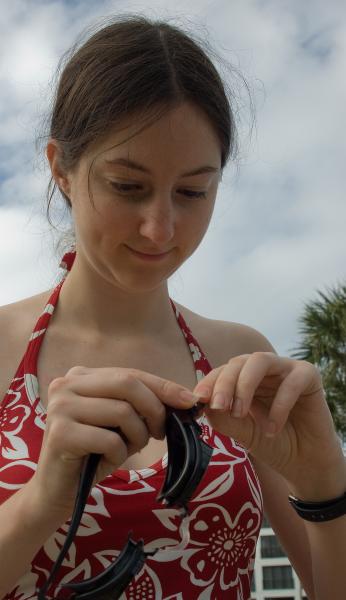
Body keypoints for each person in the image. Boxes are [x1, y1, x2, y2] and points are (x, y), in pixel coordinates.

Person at [0, 15, 345, 600]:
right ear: (60, 167)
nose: (160, 228)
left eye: (192, 192)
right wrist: (42, 501)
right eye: (127, 186)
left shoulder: (241, 356)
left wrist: (325, 482)